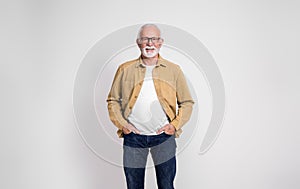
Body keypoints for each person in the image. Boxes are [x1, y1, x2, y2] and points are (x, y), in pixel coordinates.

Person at [107, 24, 194, 189]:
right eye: (145, 39)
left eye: (154, 39)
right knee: (134, 186)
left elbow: (187, 102)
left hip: (164, 138)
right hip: (133, 137)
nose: (150, 43)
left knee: (166, 185)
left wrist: (174, 126)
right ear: (138, 42)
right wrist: (123, 125)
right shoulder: (125, 69)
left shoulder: (173, 70)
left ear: (161, 42)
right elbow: (112, 100)